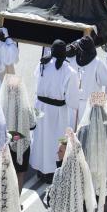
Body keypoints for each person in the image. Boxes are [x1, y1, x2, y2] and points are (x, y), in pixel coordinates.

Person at [30, 40, 80, 180]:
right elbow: (73, 101)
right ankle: (52, 172)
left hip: (40, 107)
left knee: (41, 139)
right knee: (54, 141)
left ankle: (40, 170)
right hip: (58, 111)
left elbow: (35, 84)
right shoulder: (69, 71)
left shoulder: (42, 65)